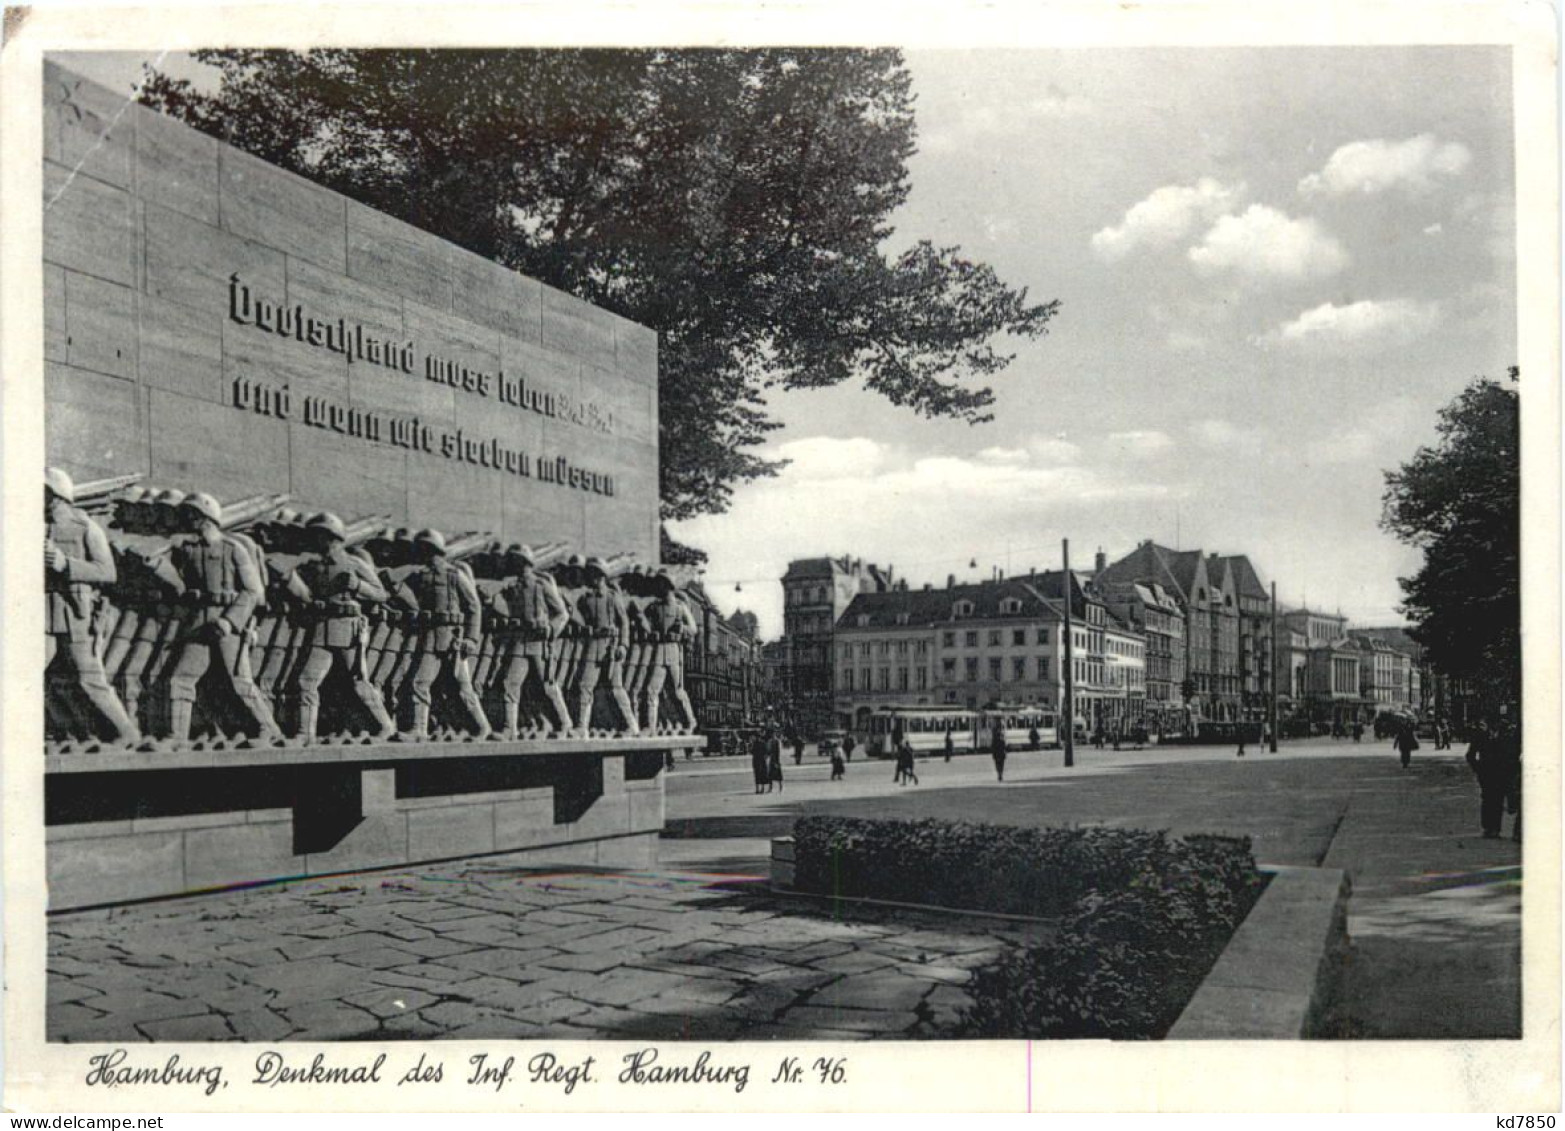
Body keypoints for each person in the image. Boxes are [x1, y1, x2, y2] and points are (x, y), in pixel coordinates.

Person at [164, 492, 279, 745]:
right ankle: (177, 738)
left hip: (227, 626)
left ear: (207, 517)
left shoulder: (233, 549)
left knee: (240, 682)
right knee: (181, 679)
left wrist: (230, 621)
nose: (188, 519)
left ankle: (270, 731)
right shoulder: (188, 550)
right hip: (199, 623)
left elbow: (254, 591)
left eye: (193, 514)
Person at [44, 468, 141, 745]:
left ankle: (127, 733)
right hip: (42, 613)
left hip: (74, 612)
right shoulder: (32, 525)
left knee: (89, 679)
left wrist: (66, 565)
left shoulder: (86, 527)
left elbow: (107, 571)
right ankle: (75, 734)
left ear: (57, 495)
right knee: (47, 679)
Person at [285, 512, 397, 744]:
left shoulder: (354, 564)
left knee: (357, 681)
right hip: (320, 628)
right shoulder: (312, 566)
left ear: (333, 537)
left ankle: (386, 726)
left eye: (319, 535)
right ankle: (305, 733)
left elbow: (381, 594)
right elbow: (306, 596)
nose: (315, 540)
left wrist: (357, 585)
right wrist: (290, 581)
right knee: (307, 680)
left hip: (347, 629)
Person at [395, 529, 490, 741]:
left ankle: (482, 728)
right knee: (420, 682)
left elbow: (473, 607)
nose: (421, 553)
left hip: (453, 639)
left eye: (424, 549)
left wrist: (472, 638)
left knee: (462, 686)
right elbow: (403, 593)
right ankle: (419, 730)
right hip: (430, 637)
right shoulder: (419, 576)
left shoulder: (454, 575)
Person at [1465, 718, 1520, 840]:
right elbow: (1470, 755)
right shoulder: (1480, 736)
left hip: (1503, 773)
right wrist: (1478, 769)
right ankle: (1489, 828)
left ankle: (1495, 829)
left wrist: (1513, 769)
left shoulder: (1509, 737)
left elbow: (1515, 753)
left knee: (1498, 800)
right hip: (1487, 774)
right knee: (1488, 799)